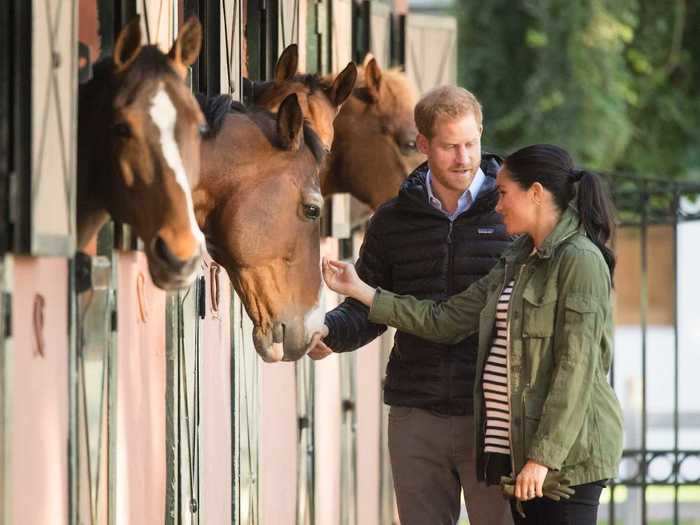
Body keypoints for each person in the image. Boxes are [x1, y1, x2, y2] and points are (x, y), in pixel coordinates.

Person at [320, 144, 624, 525]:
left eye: (503, 194)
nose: (497, 207)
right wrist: (361, 290)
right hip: (522, 457)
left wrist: (542, 459)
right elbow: (445, 319)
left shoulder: (579, 260)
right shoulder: (518, 258)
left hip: (565, 461)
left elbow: (575, 370)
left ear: (535, 193)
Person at [308, 85, 513, 525]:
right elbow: (366, 303)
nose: (464, 158)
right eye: (449, 147)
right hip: (416, 414)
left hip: (494, 416)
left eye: (471, 144)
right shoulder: (392, 220)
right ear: (422, 145)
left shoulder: (510, 215)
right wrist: (331, 331)